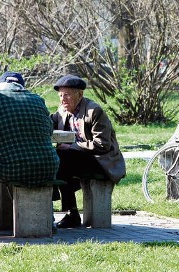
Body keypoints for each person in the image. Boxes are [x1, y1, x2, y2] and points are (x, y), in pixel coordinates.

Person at [0, 72, 60, 237]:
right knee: (37, 172)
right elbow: (50, 130)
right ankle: (48, 222)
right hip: (48, 165)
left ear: (0, 86)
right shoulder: (37, 99)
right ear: (22, 87)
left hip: (11, 166)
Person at [50, 75, 126, 228]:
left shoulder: (94, 111)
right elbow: (48, 125)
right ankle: (69, 212)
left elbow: (102, 145)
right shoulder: (62, 111)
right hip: (75, 159)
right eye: (60, 95)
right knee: (54, 158)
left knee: (62, 158)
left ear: (80, 94)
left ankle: (65, 210)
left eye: (67, 95)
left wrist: (73, 146)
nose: (62, 99)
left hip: (101, 160)